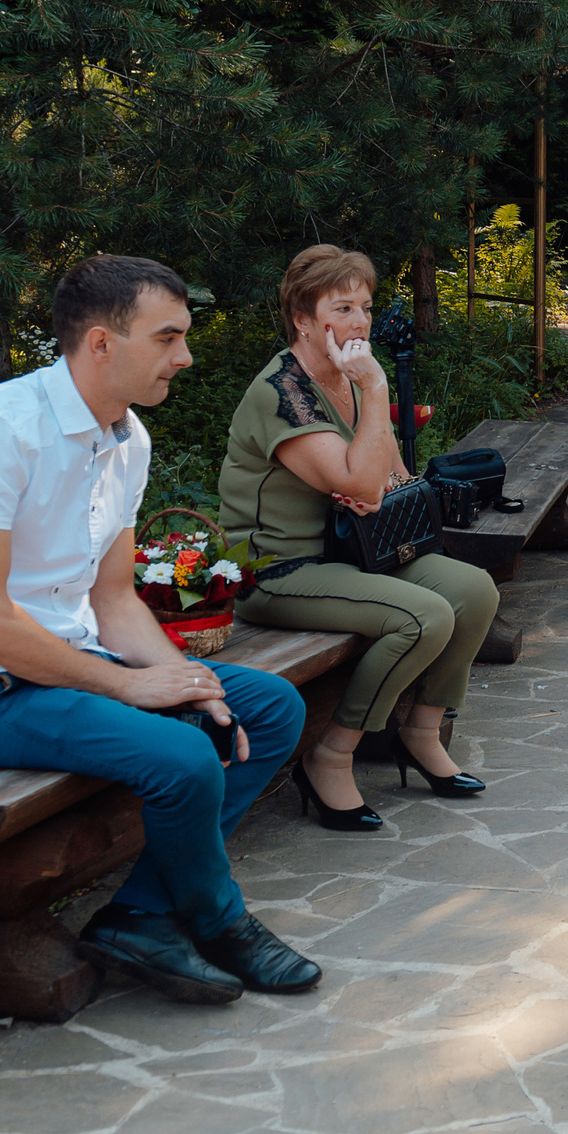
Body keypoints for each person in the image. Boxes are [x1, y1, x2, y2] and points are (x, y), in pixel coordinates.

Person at [0, 255, 320, 1006]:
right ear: (100, 343)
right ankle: (220, 920)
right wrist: (130, 685)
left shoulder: (128, 441)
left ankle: (143, 916)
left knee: (264, 709)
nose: (184, 358)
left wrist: (193, 684)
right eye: (167, 338)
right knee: (184, 755)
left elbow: (117, 599)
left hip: (67, 666)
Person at [221, 246, 500, 829]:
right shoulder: (282, 392)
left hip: (356, 552)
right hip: (279, 571)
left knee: (474, 592)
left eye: (366, 307)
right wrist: (376, 394)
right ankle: (331, 754)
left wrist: (378, 478)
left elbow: (388, 476)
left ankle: (420, 733)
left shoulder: (346, 378)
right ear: (302, 318)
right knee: (423, 616)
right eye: (341, 307)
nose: (359, 323)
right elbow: (356, 478)